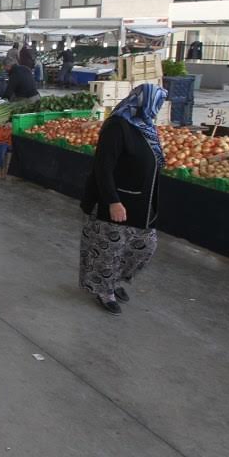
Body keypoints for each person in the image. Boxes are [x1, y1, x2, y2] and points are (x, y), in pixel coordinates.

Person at [79, 84, 167, 315]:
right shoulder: (117, 126)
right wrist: (112, 200)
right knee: (108, 249)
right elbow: (103, 167)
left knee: (143, 247)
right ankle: (104, 290)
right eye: (156, 103)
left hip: (142, 203)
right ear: (144, 102)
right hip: (117, 200)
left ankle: (116, 279)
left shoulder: (146, 126)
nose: (158, 108)